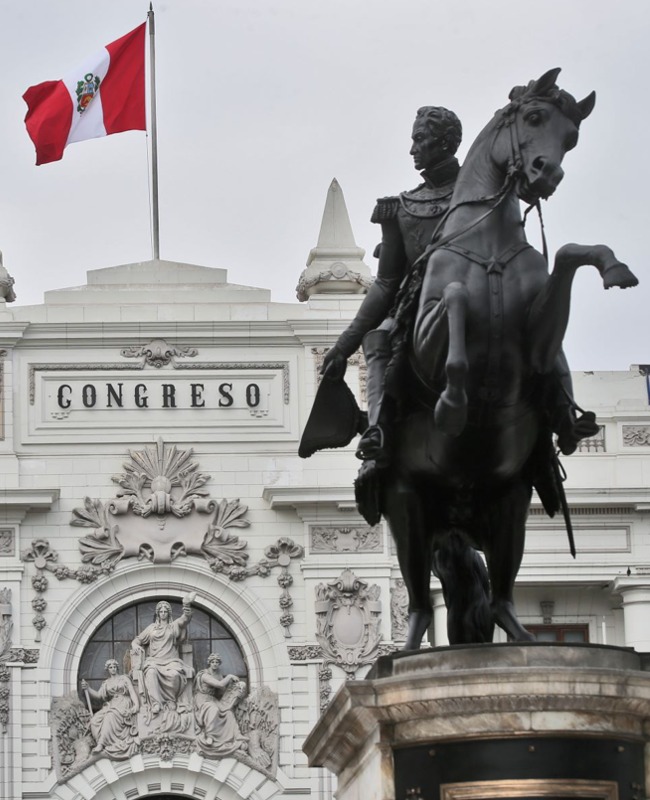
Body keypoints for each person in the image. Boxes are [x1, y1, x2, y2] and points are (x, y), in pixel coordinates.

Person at [320, 106, 597, 465]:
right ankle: (378, 430)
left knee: (541, 330)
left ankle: (565, 416)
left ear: (445, 142)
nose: (413, 150)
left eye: (420, 139)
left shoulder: (491, 195)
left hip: (494, 292)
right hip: (419, 307)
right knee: (380, 341)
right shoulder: (400, 208)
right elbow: (387, 282)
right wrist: (344, 345)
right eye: (414, 140)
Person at [131, 598, 193, 716]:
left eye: (165, 611)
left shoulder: (173, 626)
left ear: (168, 613)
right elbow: (137, 640)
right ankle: (156, 703)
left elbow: (184, 620)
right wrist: (135, 645)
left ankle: (171, 700)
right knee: (150, 672)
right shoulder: (151, 628)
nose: (163, 613)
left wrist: (186, 606)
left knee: (174, 675)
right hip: (154, 661)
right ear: (158, 613)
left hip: (171, 661)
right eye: (161, 611)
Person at [81, 659, 139, 758]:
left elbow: (132, 692)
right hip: (112, 703)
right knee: (95, 720)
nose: (113, 669)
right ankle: (103, 741)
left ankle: (101, 744)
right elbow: (99, 696)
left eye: (114, 667)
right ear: (108, 669)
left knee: (110, 716)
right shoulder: (106, 683)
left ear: (117, 668)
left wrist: (136, 705)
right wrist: (88, 688)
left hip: (123, 702)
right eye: (110, 667)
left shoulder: (124, 678)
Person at [194, 652, 248, 757]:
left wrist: (235, 688)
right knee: (213, 710)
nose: (215, 664)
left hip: (213, 699)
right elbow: (219, 684)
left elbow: (221, 691)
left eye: (217, 662)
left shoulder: (218, 675)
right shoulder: (204, 675)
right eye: (213, 662)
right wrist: (229, 677)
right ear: (209, 663)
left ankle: (237, 736)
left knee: (228, 712)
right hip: (203, 699)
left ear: (219, 664)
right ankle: (210, 736)